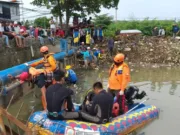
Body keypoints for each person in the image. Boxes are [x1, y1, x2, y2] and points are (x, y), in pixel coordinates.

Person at [25, 46, 58, 110]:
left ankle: (46, 108)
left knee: (45, 94)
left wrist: (45, 70)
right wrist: (31, 65)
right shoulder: (45, 58)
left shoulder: (49, 58)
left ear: (42, 53)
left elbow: (53, 67)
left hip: (50, 74)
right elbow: (38, 62)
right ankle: (49, 106)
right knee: (48, 92)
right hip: (49, 75)